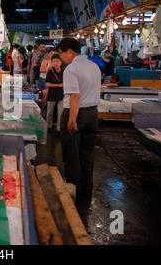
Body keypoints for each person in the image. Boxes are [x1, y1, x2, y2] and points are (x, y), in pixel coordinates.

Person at [58, 38, 101, 205]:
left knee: (71, 155)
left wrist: (71, 120)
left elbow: (75, 96)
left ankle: (72, 194)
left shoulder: (71, 69)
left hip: (76, 113)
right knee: (87, 154)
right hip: (92, 114)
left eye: (61, 53)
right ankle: (86, 192)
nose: (61, 57)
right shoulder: (94, 66)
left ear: (69, 51)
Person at [45, 54, 64, 136]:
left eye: (57, 61)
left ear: (61, 62)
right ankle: (48, 127)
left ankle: (59, 129)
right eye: (53, 61)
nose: (55, 63)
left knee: (61, 112)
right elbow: (48, 84)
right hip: (52, 95)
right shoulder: (50, 72)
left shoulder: (64, 72)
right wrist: (59, 85)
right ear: (51, 63)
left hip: (62, 95)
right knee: (50, 112)